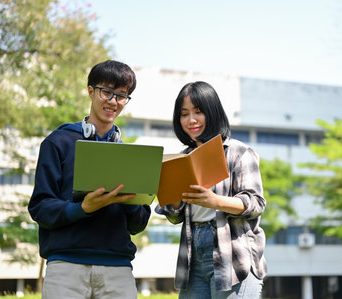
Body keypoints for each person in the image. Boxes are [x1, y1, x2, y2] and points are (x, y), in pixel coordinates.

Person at [28, 60, 150, 299]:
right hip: (66, 267)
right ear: (90, 90)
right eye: (107, 92)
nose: (113, 101)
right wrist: (83, 208)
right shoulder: (58, 142)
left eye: (122, 96)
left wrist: (132, 199)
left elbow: (138, 223)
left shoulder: (130, 156)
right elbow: (40, 208)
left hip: (118, 270)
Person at [156, 81, 267, 298]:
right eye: (184, 114)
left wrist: (214, 201)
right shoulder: (181, 157)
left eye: (198, 112)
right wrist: (174, 198)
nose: (191, 120)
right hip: (192, 254)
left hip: (234, 255)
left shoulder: (238, 152)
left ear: (213, 112)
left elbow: (255, 204)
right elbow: (173, 216)